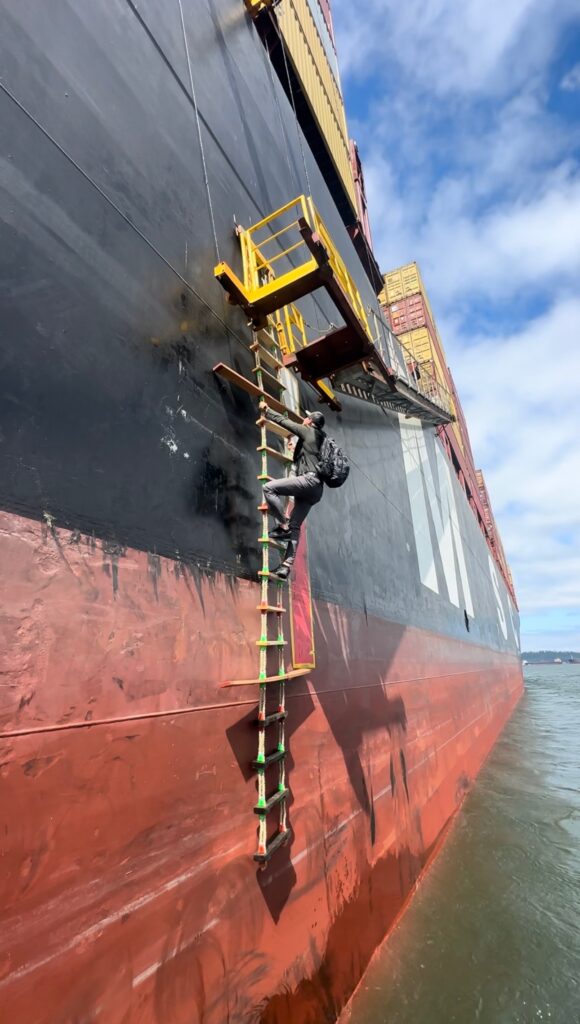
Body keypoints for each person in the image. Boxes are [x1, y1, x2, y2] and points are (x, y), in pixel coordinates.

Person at [259, 401, 326, 579]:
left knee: (268, 488)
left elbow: (285, 422)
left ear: (310, 421)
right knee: (296, 526)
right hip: (316, 490)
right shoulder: (322, 439)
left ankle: (282, 524)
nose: (304, 419)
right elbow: (309, 457)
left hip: (308, 481)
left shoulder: (308, 430)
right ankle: (285, 566)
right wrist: (295, 449)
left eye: (306, 417)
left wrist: (267, 410)